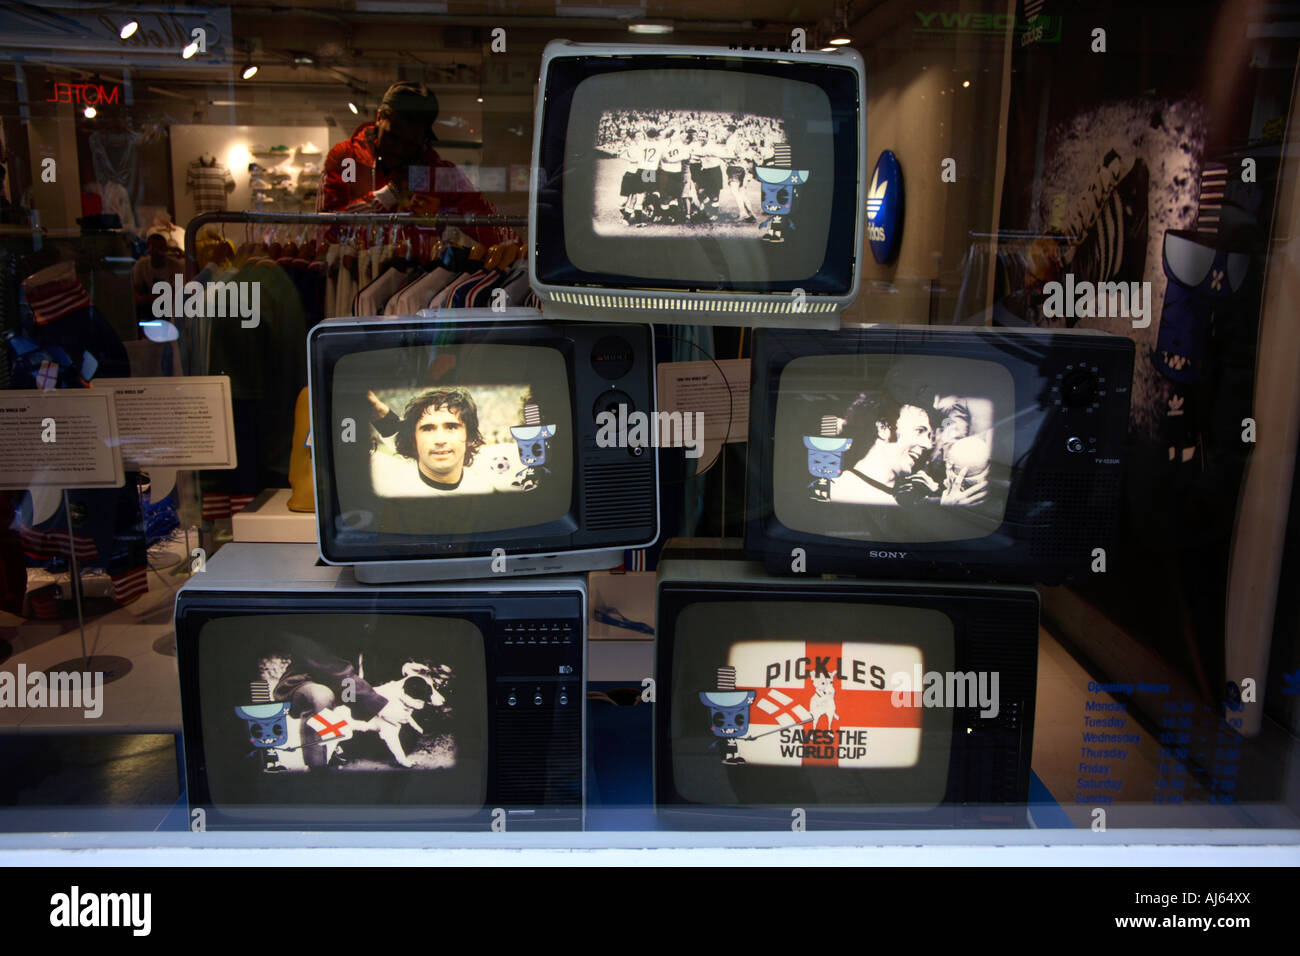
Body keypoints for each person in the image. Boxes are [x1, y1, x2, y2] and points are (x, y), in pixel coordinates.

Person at [318, 81, 514, 246]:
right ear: (379, 118)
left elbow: (484, 219)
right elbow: (326, 230)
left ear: (423, 138)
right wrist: (390, 194)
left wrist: (520, 253)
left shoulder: (437, 173)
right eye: (393, 137)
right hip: (352, 275)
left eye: (410, 143)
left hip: (414, 281)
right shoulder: (346, 159)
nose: (399, 149)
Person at [368, 387, 494, 494]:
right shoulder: (385, 481)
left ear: (469, 436)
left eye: (451, 427)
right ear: (413, 439)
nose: (440, 440)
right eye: (428, 429)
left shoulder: (484, 486)